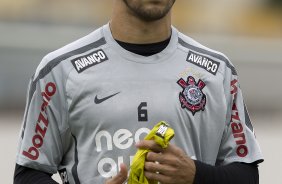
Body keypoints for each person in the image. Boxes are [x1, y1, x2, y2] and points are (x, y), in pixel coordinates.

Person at [14, 0, 263, 184]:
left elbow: (247, 175)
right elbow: (28, 174)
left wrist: (196, 175)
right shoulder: (60, 71)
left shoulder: (218, 72)